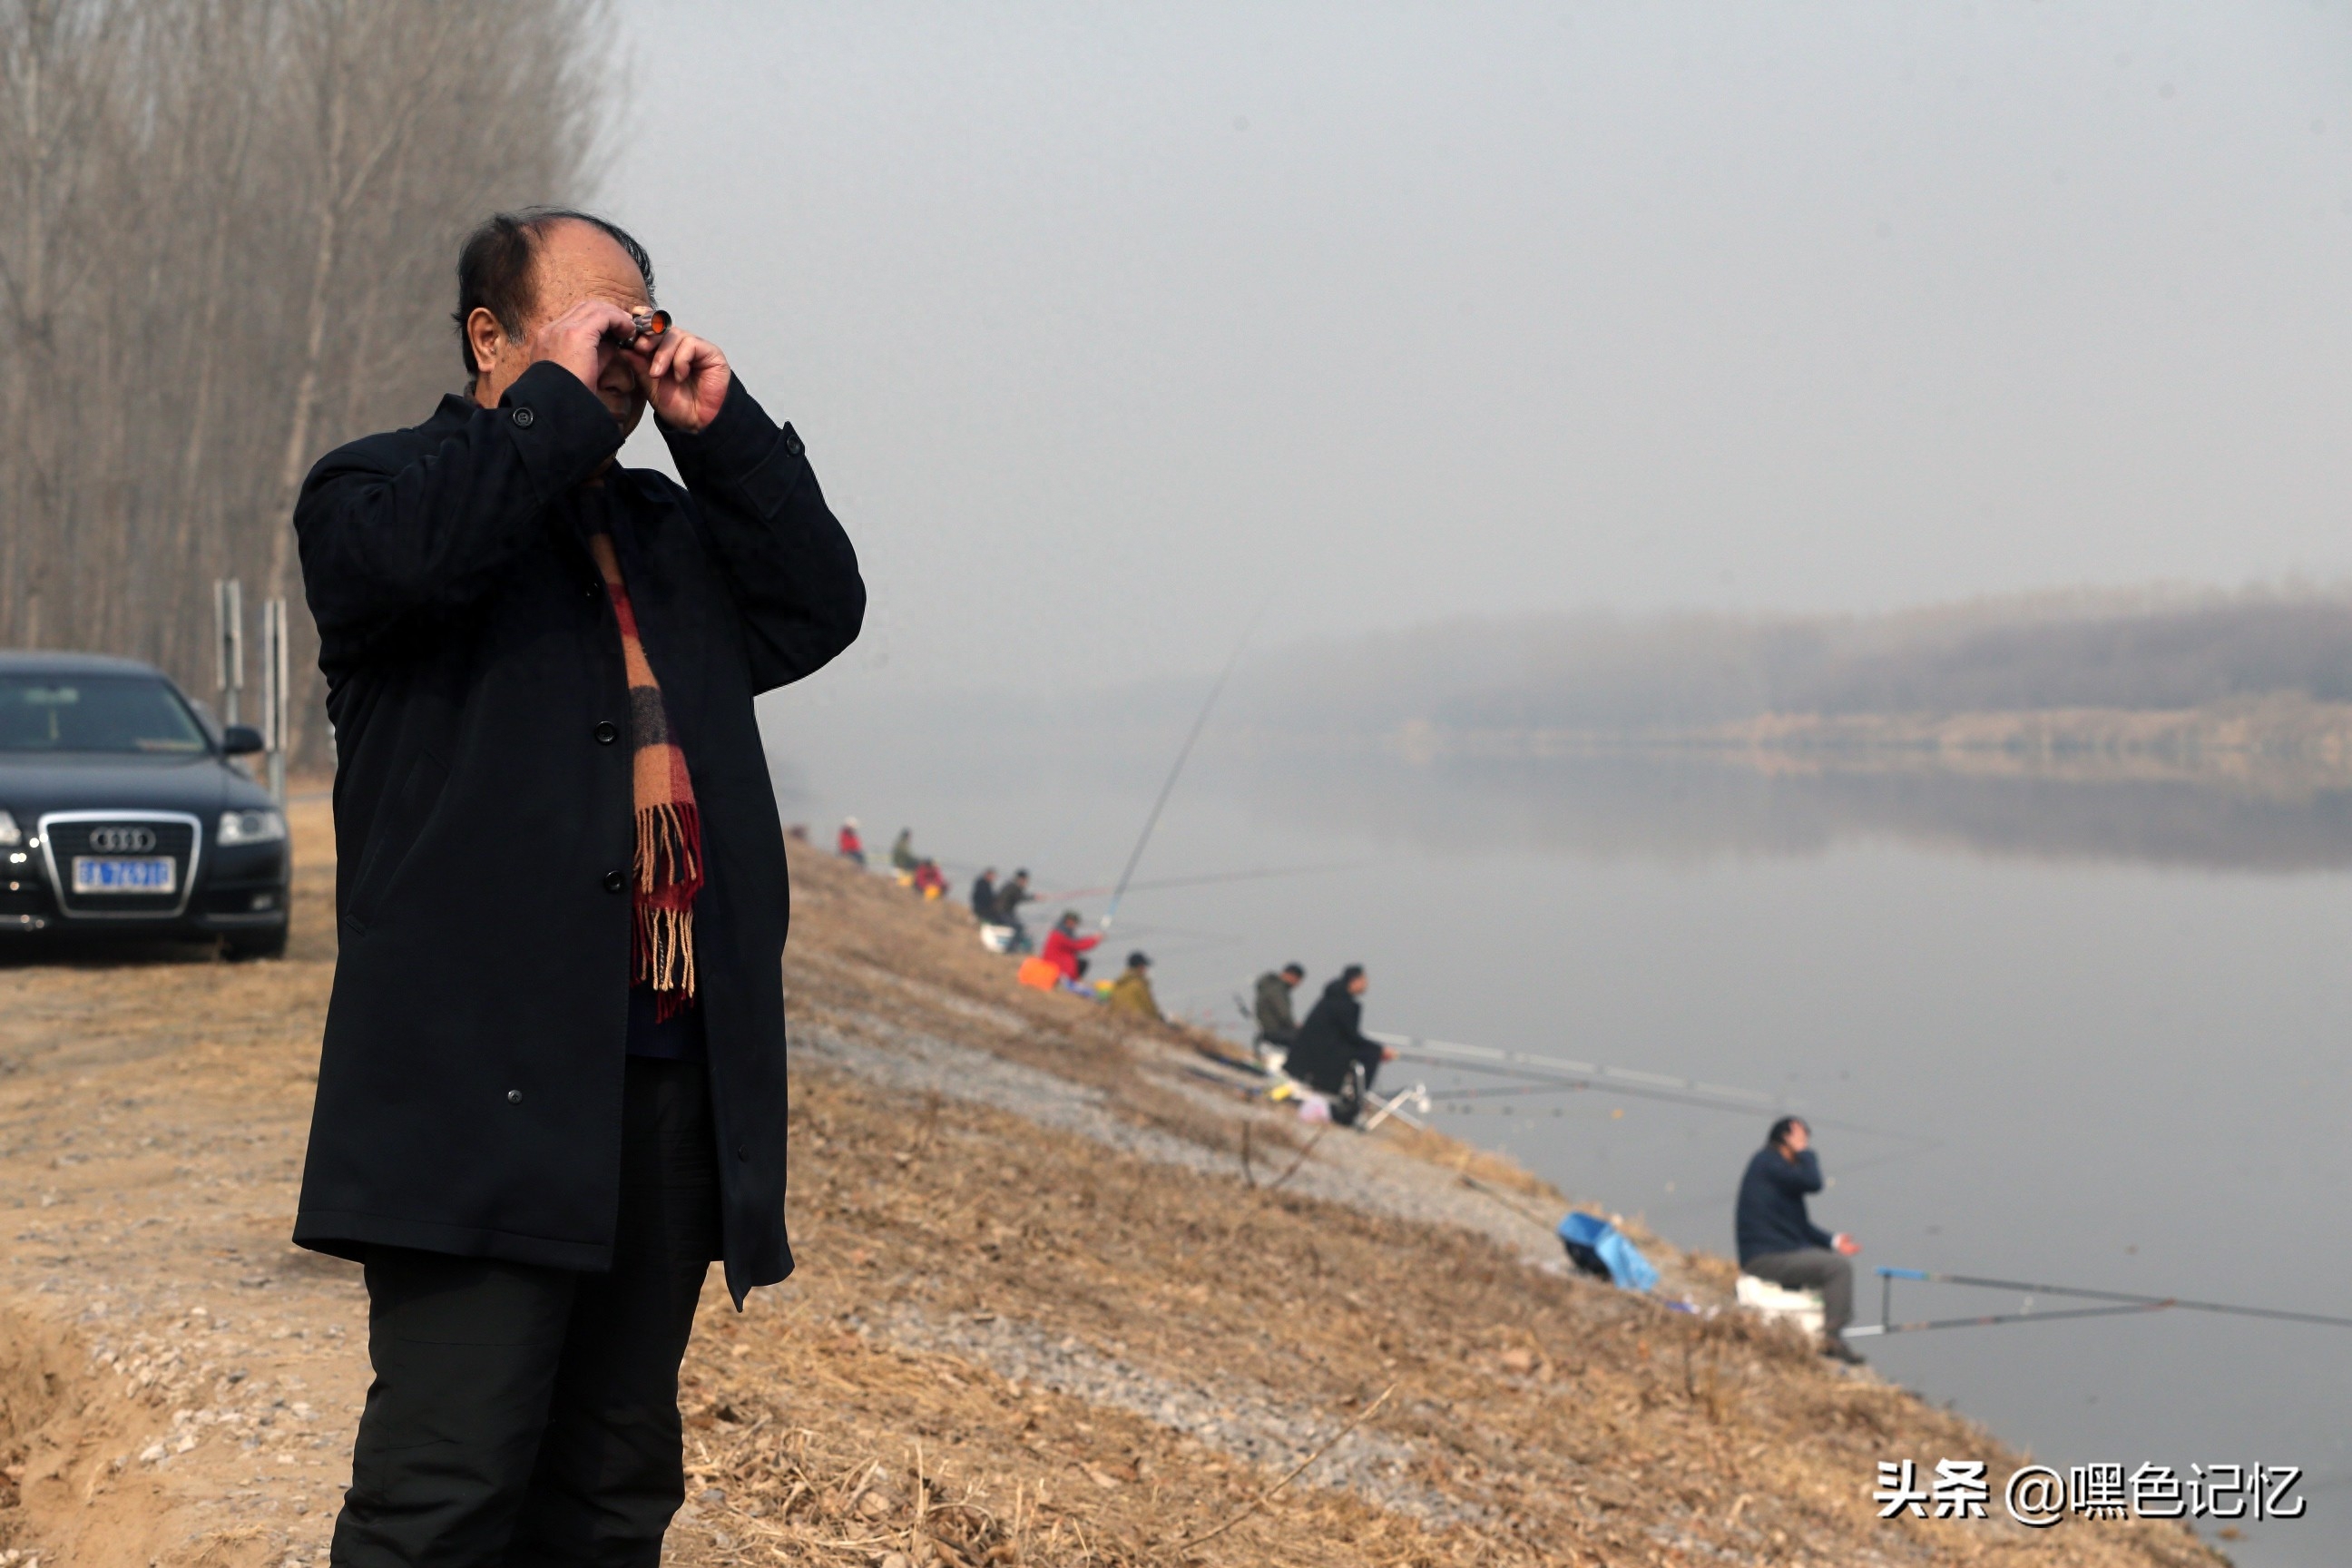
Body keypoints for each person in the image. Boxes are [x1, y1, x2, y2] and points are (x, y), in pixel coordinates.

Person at [291, 208, 863, 1564]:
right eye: (592, 323)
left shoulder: (665, 539)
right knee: (444, 1491)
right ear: (491, 339)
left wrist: (720, 429)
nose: (624, 348)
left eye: (640, 319)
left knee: (611, 1490)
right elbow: (418, 562)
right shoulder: (378, 492)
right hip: (474, 1094)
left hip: (662, 1091)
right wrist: (554, 405)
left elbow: (817, 605)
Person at [1735, 1116, 1866, 1365]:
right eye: (1801, 1138)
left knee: (1830, 1261)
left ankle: (1822, 1329)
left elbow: (1798, 1226)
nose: (1805, 1146)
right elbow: (1813, 1182)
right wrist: (1805, 1153)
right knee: (1838, 1269)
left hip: (1774, 1252)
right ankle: (1832, 1338)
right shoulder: (1769, 1163)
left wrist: (1834, 1241)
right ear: (1786, 1139)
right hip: (1765, 1258)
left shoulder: (1774, 1172)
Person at [1285, 965, 1395, 1125]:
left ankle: (1354, 1103)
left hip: (1311, 1051)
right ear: (1354, 981)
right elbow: (1352, 1036)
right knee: (1372, 1053)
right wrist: (1380, 1050)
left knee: (1371, 1050)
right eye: (1364, 981)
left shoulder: (1331, 997)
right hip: (1323, 1054)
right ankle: (1354, 1107)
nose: (1366, 985)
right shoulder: (1345, 1004)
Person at [1251, 963, 1306, 1064]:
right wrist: (1296, 1027)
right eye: (1298, 981)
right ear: (1292, 976)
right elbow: (1284, 1015)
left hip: (1267, 1030)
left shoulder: (1270, 986)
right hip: (1273, 1031)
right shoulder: (1278, 990)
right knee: (1307, 1039)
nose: (1297, 984)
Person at [1041, 908, 1099, 985]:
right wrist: (1094, 940)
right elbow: (1077, 946)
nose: (1074, 925)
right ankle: (1072, 983)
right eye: (1073, 922)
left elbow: (1077, 941)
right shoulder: (1060, 935)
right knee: (1083, 963)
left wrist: (1092, 938)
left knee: (1083, 962)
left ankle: (1073, 981)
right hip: (1058, 967)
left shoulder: (1061, 932)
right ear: (1067, 921)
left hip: (1058, 964)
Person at [1104, 951, 1161, 1020]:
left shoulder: (1118, 984)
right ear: (1140, 967)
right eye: (1144, 967)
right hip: (1138, 1022)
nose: (1146, 970)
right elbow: (1150, 1010)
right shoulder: (1139, 985)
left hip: (1119, 1021)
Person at [994, 868, 1034, 951]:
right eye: (1025, 880)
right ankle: (1010, 949)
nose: (1026, 883)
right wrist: (1034, 897)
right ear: (1021, 879)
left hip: (1002, 912)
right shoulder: (1014, 887)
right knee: (1017, 928)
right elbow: (1021, 897)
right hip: (1001, 913)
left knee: (1018, 927)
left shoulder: (1011, 886)